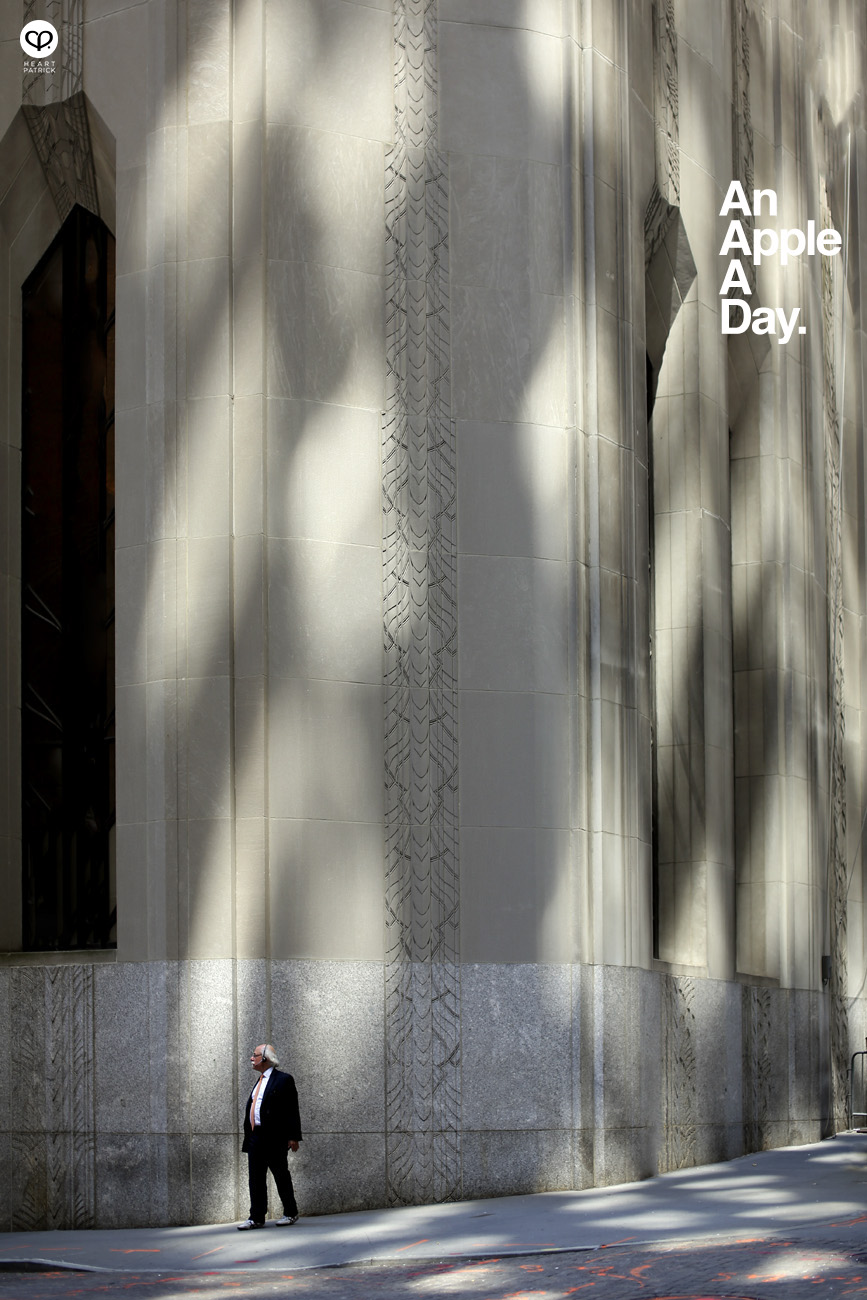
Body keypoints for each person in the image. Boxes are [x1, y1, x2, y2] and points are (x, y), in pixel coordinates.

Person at [237, 1043, 302, 1229]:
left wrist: (293, 1136)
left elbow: (291, 1109)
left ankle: (290, 1212)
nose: (251, 1058)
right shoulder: (259, 1081)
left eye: (254, 1055)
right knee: (255, 1178)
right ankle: (256, 1217)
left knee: (281, 1175)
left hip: (274, 1138)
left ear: (265, 1058)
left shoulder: (283, 1080)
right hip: (255, 1137)